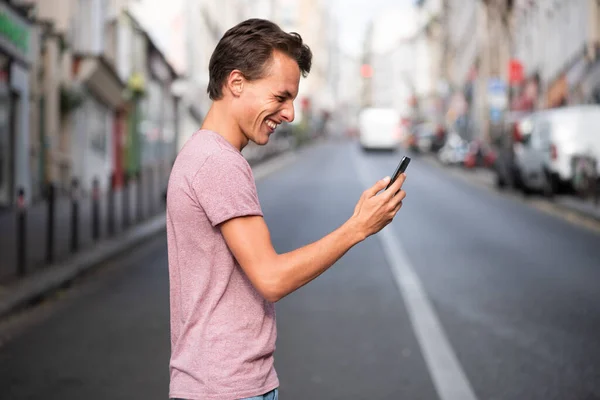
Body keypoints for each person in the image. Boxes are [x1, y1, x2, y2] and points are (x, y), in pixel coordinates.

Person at [166, 18, 407, 400]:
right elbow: (271, 279)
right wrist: (357, 228)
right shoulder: (219, 163)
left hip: (216, 383)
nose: (290, 113)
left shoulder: (203, 153)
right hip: (227, 389)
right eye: (281, 97)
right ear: (236, 83)